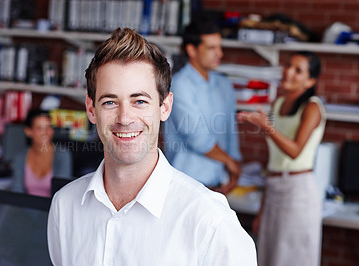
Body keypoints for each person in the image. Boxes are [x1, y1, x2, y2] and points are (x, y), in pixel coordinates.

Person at [47, 28, 257, 265]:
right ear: (91, 109)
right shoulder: (64, 206)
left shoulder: (210, 220)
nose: (125, 118)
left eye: (139, 101)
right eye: (109, 101)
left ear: (165, 107)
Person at [238, 51, 325, 266]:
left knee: (290, 259)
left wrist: (266, 126)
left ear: (310, 81)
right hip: (274, 188)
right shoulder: (279, 104)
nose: (288, 72)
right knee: (267, 257)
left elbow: (294, 151)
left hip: (298, 193)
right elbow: (274, 162)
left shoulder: (312, 107)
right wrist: (262, 210)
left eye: (298, 70)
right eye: (288, 66)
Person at [164, 19, 241, 195]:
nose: (219, 53)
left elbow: (231, 131)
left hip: (220, 181)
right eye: (211, 48)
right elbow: (196, 136)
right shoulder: (179, 85)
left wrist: (234, 169)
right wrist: (230, 162)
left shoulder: (224, 84)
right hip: (186, 184)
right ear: (192, 50)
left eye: (219, 47)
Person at [12, 109, 73, 197]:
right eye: (39, 128)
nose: (45, 132)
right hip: (26, 208)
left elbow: (62, 192)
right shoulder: (20, 157)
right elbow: (17, 191)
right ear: (28, 131)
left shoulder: (62, 155)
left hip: (52, 208)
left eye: (48, 127)